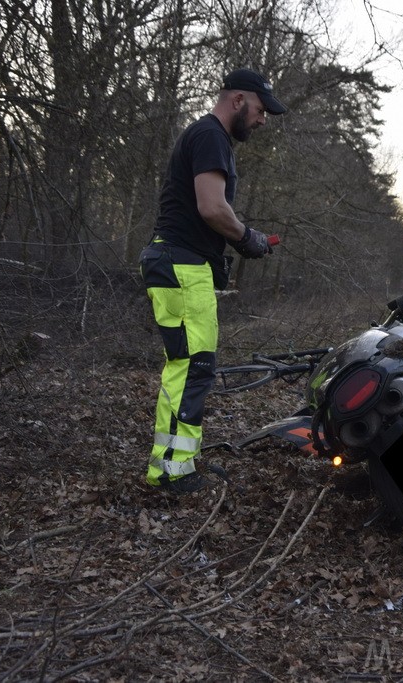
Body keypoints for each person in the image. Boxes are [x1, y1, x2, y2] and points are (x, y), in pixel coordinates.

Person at [139, 68, 287, 494]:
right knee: (191, 368)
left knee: (191, 366)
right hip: (180, 265)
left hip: (180, 264)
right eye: (260, 110)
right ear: (238, 100)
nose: (262, 120)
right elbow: (212, 207)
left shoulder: (208, 137)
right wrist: (248, 238)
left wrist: (244, 238)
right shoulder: (210, 136)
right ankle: (171, 472)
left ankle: (180, 463)